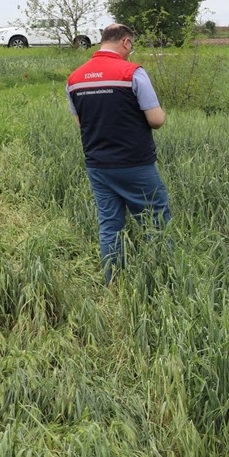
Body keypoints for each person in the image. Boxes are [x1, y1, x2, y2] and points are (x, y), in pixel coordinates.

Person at [66, 23, 170, 280]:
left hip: (98, 165)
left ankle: (113, 280)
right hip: (136, 163)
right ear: (125, 42)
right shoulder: (132, 73)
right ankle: (164, 279)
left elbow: (81, 123)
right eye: (131, 45)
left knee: (110, 225)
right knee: (155, 221)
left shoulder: (74, 79)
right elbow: (156, 120)